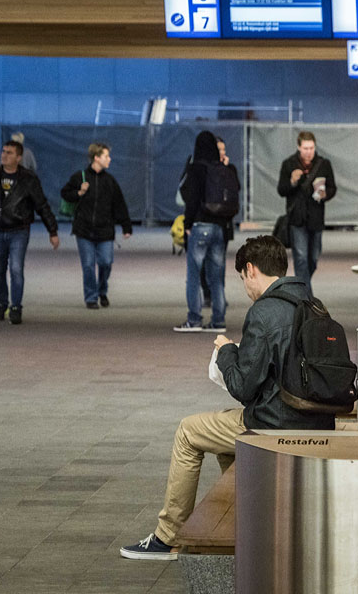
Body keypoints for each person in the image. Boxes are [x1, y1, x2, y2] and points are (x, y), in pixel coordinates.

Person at [121, 235, 335, 560]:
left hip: (276, 422)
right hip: (317, 419)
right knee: (227, 445)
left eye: (241, 279)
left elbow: (242, 387)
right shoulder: (314, 304)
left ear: (251, 270)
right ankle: (245, 525)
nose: (245, 287)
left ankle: (167, 537)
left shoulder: (264, 312)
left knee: (189, 431)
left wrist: (227, 352)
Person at [0, 140, 59, 324]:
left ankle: (16, 306)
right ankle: (1, 304)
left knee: (16, 269)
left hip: (19, 231)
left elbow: (42, 206)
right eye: (3, 152)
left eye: (9, 153)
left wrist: (52, 231)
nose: (4, 155)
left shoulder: (28, 179)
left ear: (18, 157)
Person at [174, 131, 238, 333]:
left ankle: (194, 319)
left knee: (194, 275)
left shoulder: (196, 169)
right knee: (217, 276)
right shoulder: (223, 169)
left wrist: (188, 225)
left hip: (200, 226)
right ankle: (218, 321)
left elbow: (191, 201)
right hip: (220, 227)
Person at [60, 142, 132, 309]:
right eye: (106, 156)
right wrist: (79, 192)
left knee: (106, 262)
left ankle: (102, 290)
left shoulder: (110, 181)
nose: (110, 159)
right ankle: (91, 297)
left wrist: (126, 226)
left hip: (105, 229)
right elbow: (65, 194)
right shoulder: (80, 177)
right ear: (96, 158)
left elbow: (119, 204)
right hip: (84, 229)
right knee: (88, 265)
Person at [277, 131, 337, 295]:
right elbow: (281, 190)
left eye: (311, 148)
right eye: (305, 148)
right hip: (297, 218)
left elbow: (332, 187)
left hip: (316, 217)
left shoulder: (323, 164)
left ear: (315, 147)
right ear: (298, 147)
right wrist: (292, 181)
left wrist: (325, 194)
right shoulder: (289, 164)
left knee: (314, 258)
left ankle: (300, 287)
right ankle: (306, 297)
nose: (308, 152)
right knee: (301, 258)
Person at [200, 137, 239, 307]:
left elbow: (235, 190)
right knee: (203, 261)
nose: (222, 152)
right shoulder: (203, 168)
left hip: (224, 223)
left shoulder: (230, 169)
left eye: (223, 149)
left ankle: (219, 295)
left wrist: (225, 170)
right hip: (205, 221)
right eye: (219, 149)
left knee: (219, 262)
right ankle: (208, 293)